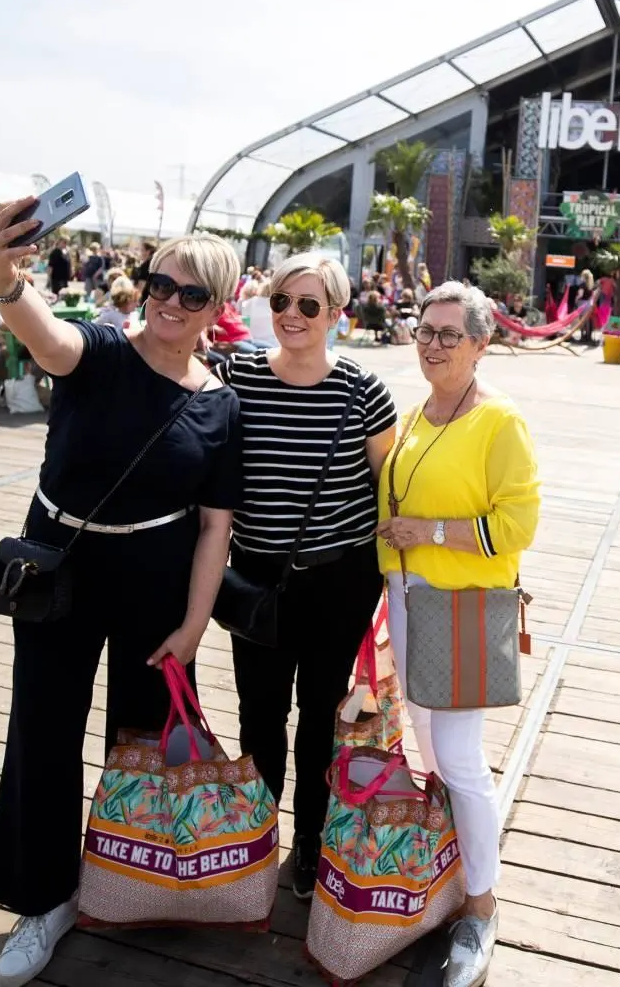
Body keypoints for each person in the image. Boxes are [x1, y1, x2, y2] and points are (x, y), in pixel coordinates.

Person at [0, 208, 242, 987]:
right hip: (60, 562)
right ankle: (43, 899)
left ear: (216, 307)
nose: (171, 301)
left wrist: (194, 626)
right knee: (44, 730)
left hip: (156, 574)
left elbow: (215, 529)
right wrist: (4, 274)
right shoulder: (97, 351)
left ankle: (130, 875)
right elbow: (44, 335)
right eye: (162, 282)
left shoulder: (220, 405)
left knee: (144, 737)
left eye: (192, 294)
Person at [220, 252, 398, 900]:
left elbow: (389, 486)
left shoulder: (362, 390)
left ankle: (311, 844)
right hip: (256, 575)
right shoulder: (237, 373)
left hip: (339, 579)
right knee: (258, 714)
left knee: (320, 717)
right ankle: (256, 837)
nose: (292, 316)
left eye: (309, 305)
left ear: (336, 314)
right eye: (281, 303)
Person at [375, 282, 538, 987]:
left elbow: (517, 526)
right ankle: (448, 874)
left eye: (449, 334)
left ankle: (481, 903)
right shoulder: (415, 415)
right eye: (425, 330)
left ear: (481, 343)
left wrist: (432, 533)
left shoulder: (499, 422)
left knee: (460, 758)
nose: (433, 344)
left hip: (464, 610)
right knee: (429, 749)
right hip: (409, 602)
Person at [240, 278, 278, 350]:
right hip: (272, 344)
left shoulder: (249, 302)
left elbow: (245, 322)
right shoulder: (276, 306)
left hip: (251, 341)